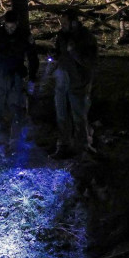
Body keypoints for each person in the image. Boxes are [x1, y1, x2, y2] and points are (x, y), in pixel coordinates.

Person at [0, 9, 39, 141]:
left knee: (14, 106)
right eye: (7, 27)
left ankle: (15, 139)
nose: (10, 30)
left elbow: (32, 57)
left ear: (17, 24)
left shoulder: (24, 35)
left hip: (16, 75)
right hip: (1, 73)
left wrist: (32, 77)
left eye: (12, 27)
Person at [51, 12, 98, 157]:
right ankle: (63, 145)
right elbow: (59, 53)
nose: (62, 26)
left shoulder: (85, 37)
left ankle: (82, 146)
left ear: (73, 23)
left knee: (79, 115)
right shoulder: (62, 36)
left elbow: (90, 62)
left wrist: (74, 52)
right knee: (61, 115)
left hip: (78, 82)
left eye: (64, 23)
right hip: (62, 82)